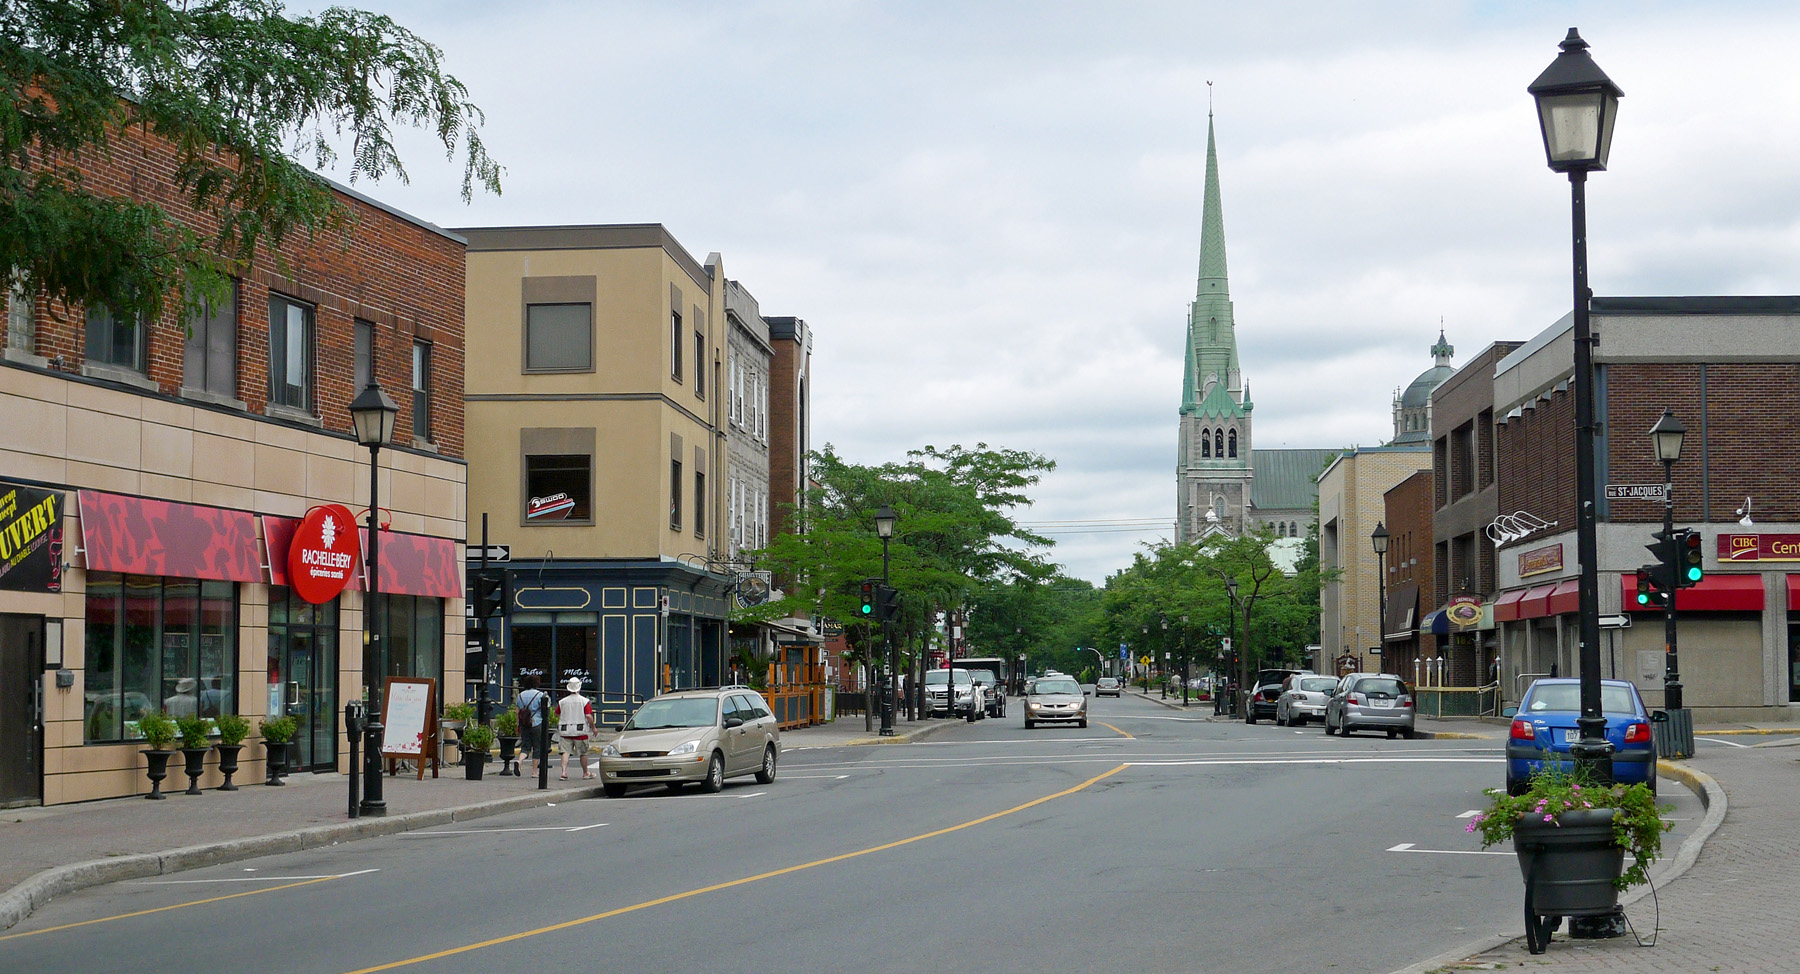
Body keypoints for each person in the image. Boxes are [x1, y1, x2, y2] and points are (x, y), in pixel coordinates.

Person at [557, 677, 596, 780]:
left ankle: (564, 772)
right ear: (579, 687)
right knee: (583, 753)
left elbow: (557, 714)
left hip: (565, 731)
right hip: (580, 731)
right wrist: (593, 728)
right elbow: (588, 716)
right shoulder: (584, 701)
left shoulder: (562, 701)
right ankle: (585, 773)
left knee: (565, 752)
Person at [515, 674, 546, 779]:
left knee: (525, 746)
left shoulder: (520, 695)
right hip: (536, 722)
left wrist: (517, 724)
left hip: (524, 723)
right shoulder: (541, 695)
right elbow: (546, 709)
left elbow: (517, 711)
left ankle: (519, 761)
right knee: (537, 747)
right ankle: (534, 771)